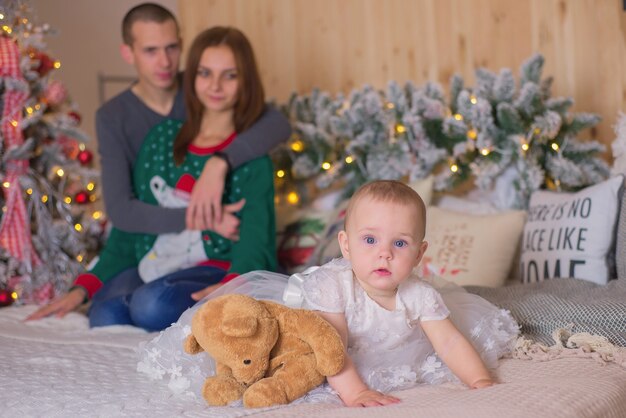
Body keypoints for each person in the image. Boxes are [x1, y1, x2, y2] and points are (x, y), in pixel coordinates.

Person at [137, 180, 519, 405]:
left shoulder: (419, 295)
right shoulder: (336, 286)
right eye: (369, 239)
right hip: (319, 343)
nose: (384, 252)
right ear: (347, 245)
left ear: (420, 254)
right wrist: (355, 394)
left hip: (378, 351)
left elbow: (449, 343)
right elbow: (329, 345)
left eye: (400, 244)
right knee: (269, 342)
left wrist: (478, 382)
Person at [26, 3, 290, 322]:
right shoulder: (144, 130)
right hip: (156, 251)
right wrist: (84, 287)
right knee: (105, 314)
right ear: (129, 52)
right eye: (151, 50)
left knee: (151, 305)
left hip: (211, 261)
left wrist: (219, 163)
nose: (164, 62)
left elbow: (277, 124)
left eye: (172, 48)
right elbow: (125, 214)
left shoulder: (214, 108)